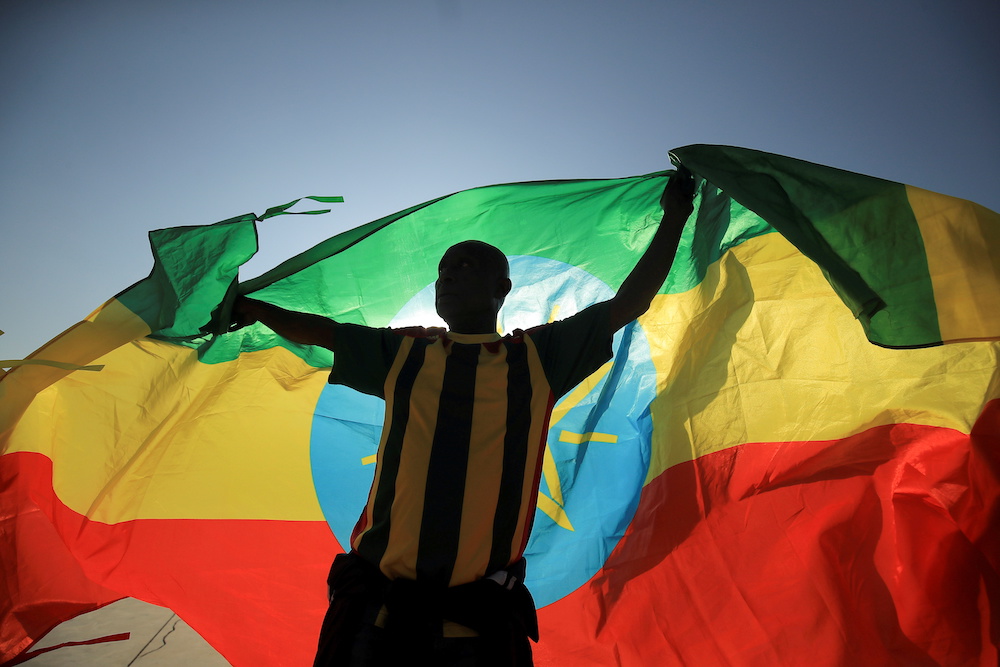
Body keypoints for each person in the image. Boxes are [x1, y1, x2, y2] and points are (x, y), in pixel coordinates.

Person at [232, 167, 696, 666]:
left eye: (466, 266)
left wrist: (675, 214)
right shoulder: (404, 353)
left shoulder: (539, 357)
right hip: (373, 610)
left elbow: (630, 302)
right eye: (442, 270)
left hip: (478, 625)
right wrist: (253, 307)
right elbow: (324, 332)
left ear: (503, 287)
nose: (448, 275)